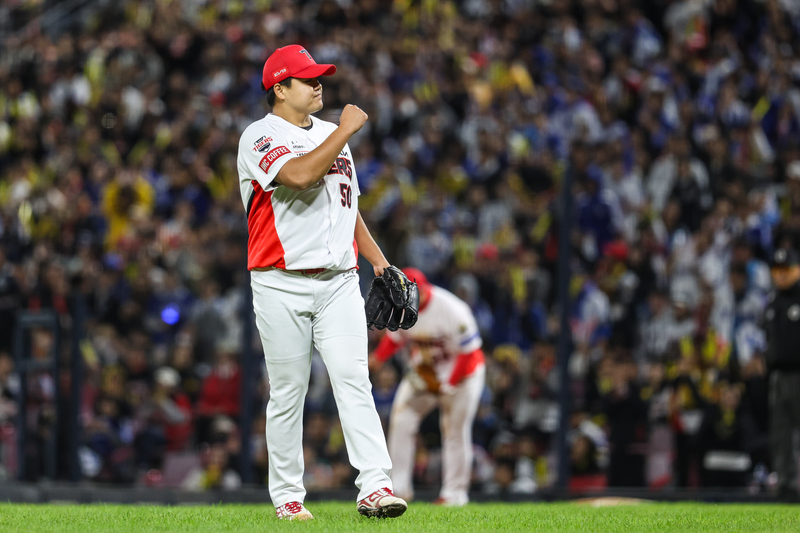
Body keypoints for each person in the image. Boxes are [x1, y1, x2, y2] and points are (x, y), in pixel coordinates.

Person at [237, 44, 407, 520]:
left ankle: (376, 487)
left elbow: (347, 207)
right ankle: (288, 497)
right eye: (307, 79)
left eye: (319, 77)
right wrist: (346, 130)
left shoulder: (333, 133)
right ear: (279, 89)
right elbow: (298, 175)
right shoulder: (259, 135)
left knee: (354, 380)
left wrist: (380, 262)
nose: (318, 85)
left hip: (339, 282)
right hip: (280, 281)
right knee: (288, 391)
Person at [369, 268, 485, 506]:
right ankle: (399, 489)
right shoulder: (400, 308)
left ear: (423, 288)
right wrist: (377, 359)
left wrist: (449, 384)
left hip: (462, 375)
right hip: (426, 372)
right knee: (401, 420)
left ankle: (454, 494)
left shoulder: (452, 308)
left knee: (454, 430)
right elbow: (394, 339)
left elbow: (469, 353)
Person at [764, 248, 800, 501]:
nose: (781, 275)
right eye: (777, 270)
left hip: (799, 372)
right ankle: (786, 484)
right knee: (781, 431)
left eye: (785, 269)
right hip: (777, 375)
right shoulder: (772, 302)